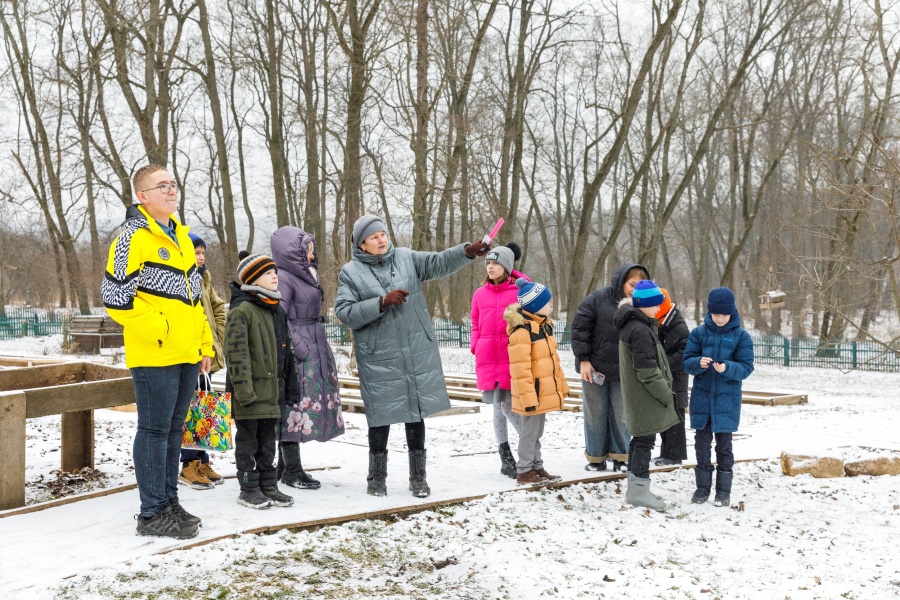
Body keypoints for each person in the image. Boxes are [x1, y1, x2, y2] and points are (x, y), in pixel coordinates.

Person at [335, 214, 490, 498]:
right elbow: (344, 312)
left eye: (382, 234)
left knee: (415, 414)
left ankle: (418, 478)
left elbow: (438, 262)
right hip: (379, 355)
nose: (381, 240)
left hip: (415, 350)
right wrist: (380, 303)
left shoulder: (406, 258)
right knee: (380, 418)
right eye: (374, 237)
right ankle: (376, 478)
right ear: (362, 244)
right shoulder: (350, 272)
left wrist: (467, 251)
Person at [101, 164, 213, 539]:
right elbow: (115, 298)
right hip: (154, 353)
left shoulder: (181, 236)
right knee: (153, 429)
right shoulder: (132, 237)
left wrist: (203, 344)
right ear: (142, 196)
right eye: (161, 185)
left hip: (185, 353)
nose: (171, 190)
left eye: (173, 184)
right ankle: (151, 513)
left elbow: (195, 300)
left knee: (173, 430)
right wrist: (162, 328)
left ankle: (168, 502)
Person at [270, 226, 345, 491]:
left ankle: (283, 465)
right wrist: (299, 347)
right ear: (293, 250)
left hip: (315, 345)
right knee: (294, 407)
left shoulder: (305, 274)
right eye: (307, 247)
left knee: (302, 404)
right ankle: (291, 469)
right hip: (300, 352)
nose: (312, 251)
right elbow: (280, 317)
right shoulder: (283, 277)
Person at [224, 251, 297, 510]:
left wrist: (291, 385)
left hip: (271, 392)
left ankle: (268, 485)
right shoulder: (242, 310)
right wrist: (244, 391)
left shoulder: (276, 310)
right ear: (254, 278)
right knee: (248, 442)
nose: (275, 276)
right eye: (268, 273)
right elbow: (235, 354)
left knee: (268, 442)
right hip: (250, 393)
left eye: (275, 272)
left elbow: (285, 352)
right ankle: (248, 488)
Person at [571, 263, 650, 472]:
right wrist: (583, 359)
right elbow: (580, 329)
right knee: (595, 413)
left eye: (639, 285)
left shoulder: (642, 305)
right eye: (632, 284)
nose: (634, 289)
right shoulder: (597, 299)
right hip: (594, 368)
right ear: (621, 281)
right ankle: (595, 457)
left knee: (621, 414)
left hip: (624, 370)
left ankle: (621, 456)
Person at [614, 280, 682, 512]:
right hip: (645, 397)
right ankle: (639, 492)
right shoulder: (640, 330)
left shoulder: (636, 325)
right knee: (644, 441)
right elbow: (647, 372)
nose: (658, 309)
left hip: (639, 396)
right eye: (655, 304)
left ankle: (636, 489)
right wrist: (666, 395)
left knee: (639, 441)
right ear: (644, 304)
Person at [683, 287, 754, 507]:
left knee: (724, 447)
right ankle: (702, 488)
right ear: (709, 312)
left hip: (727, 402)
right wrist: (698, 363)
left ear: (732, 313)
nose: (720, 318)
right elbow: (687, 362)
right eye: (716, 314)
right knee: (701, 445)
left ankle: (723, 491)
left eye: (724, 314)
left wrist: (728, 368)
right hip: (702, 400)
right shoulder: (698, 334)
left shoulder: (741, 336)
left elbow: (746, 367)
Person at [470, 242, 527, 479]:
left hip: (510, 357)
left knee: (507, 406)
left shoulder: (519, 292)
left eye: (495, 263)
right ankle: (506, 458)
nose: (490, 267)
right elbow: (474, 322)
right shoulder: (479, 293)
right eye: (488, 263)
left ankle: (528, 444)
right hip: (487, 358)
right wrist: (476, 344)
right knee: (497, 406)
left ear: (506, 266)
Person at [504, 278, 569, 485]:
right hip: (532, 393)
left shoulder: (543, 327)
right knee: (529, 432)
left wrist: (562, 386)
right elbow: (520, 370)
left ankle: (536, 465)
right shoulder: (522, 332)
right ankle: (524, 470)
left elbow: (554, 363)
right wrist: (528, 397)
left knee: (537, 431)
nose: (550, 306)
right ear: (535, 306)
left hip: (543, 392)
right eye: (547, 302)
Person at [178, 232, 227, 489]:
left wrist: (217, 335)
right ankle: (188, 465)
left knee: (204, 409)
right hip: (191, 356)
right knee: (190, 411)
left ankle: (202, 460)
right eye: (196, 253)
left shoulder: (203, 278)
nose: (201, 257)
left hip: (208, 354)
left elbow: (218, 308)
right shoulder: (182, 279)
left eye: (202, 253)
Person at [653, 289, 690, 466]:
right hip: (669, 378)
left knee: (675, 418)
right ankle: (667, 452)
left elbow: (683, 355)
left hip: (676, 380)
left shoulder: (677, 326)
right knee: (666, 416)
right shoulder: (665, 322)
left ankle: (674, 455)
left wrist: (661, 364)